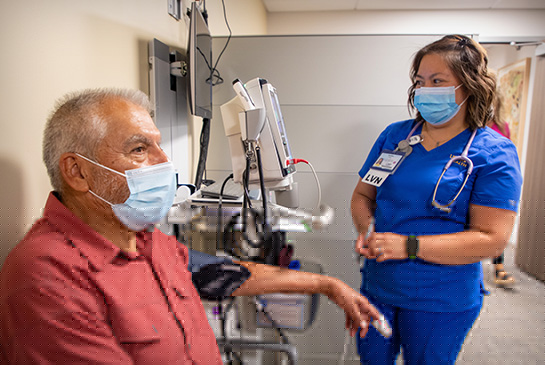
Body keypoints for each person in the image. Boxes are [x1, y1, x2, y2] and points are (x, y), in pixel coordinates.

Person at [0, 88, 381, 364]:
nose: (164, 162)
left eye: (158, 146)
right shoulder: (48, 275)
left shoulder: (149, 243)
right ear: (77, 172)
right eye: (139, 149)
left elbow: (226, 275)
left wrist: (325, 284)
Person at [351, 35, 522, 365]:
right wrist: (367, 229)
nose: (425, 89)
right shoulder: (395, 136)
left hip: (441, 297)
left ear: (469, 86)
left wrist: (409, 246)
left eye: (437, 81)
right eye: (420, 81)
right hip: (378, 286)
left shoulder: (495, 153)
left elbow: (492, 239)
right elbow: (362, 195)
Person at [488, 91, 516, 287]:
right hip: (472, 179)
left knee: (496, 225)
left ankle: (499, 268)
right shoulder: (473, 125)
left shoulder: (503, 127)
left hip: (495, 181)